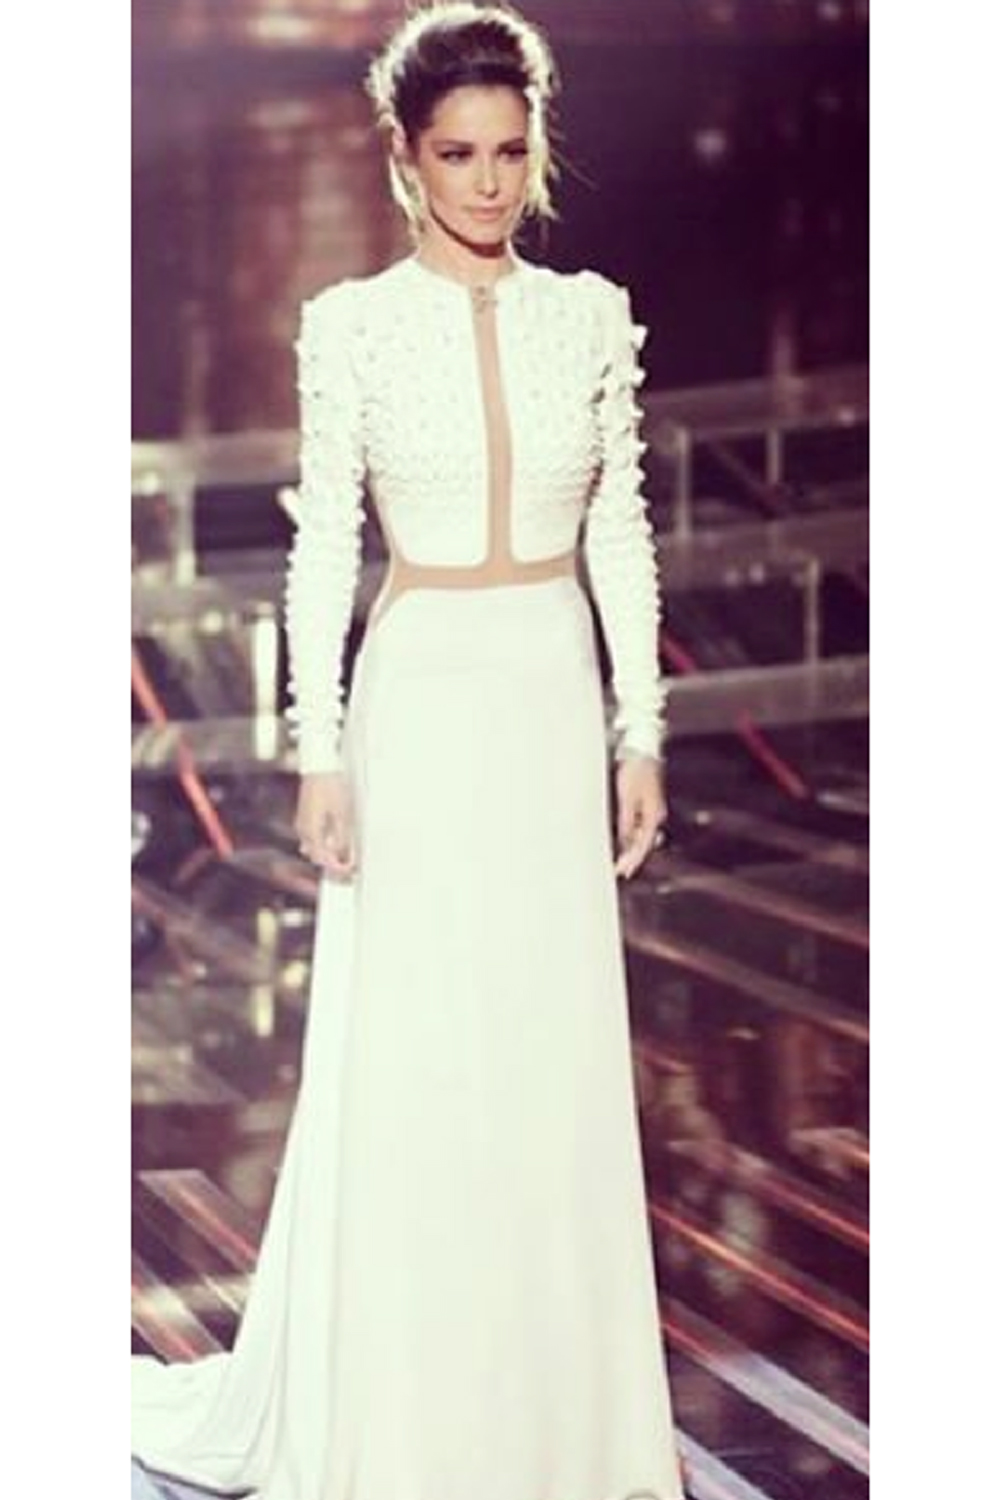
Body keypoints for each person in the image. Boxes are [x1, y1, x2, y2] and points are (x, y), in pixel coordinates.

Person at [131, 3, 686, 1497]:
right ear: (405, 156)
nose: (488, 182)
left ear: (537, 149)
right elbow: (324, 549)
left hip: (548, 700)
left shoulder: (590, 315)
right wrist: (319, 750)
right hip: (422, 705)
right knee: (422, 1057)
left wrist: (640, 728)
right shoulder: (355, 327)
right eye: (458, 155)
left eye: (509, 152)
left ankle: (558, 1427)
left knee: (551, 1058)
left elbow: (621, 532)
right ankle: (412, 1420)